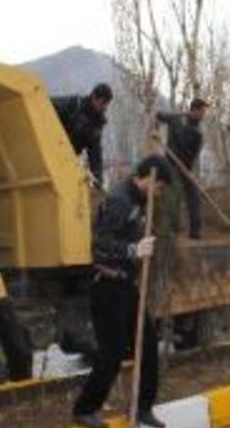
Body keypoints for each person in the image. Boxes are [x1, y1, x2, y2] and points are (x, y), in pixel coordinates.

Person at [72, 155, 171, 428]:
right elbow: (100, 244)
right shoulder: (119, 201)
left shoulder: (140, 202)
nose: (160, 195)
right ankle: (85, 408)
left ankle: (142, 409)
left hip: (127, 286)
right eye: (160, 188)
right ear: (149, 179)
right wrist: (132, 250)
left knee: (149, 346)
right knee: (112, 353)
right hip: (107, 287)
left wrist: (143, 243)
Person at [156, 98, 209, 240]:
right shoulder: (176, 119)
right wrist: (156, 129)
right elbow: (159, 115)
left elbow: (193, 156)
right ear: (195, 110)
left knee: (194, 196)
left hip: (184, 168)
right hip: (169, 166)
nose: (204, 115)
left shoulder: (197, 133)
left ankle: (195, 233)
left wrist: (189, 171)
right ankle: (170, 233)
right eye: (202, 112)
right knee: (173, 197)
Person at [52, 83, 113, 187]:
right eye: (103, 102)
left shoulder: (97, 124)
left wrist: (98, 178)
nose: (105, 107)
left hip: (68, 159)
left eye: (107, 103)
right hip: (51, 149)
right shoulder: (74, 104)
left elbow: (95, 154)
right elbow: (46, 107)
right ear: (93, 97)